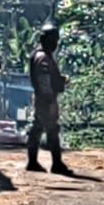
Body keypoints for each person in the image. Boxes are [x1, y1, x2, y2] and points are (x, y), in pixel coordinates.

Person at [26, 22, 72, 175]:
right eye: (53, 40)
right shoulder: (42, 57)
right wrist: (49, 99)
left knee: (38, 128)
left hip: (44, 98)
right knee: (52, 130)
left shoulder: (43, 56)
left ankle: (33, 161)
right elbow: (44, 81)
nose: (55, 43)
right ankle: (56, 164)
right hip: (46, 99)